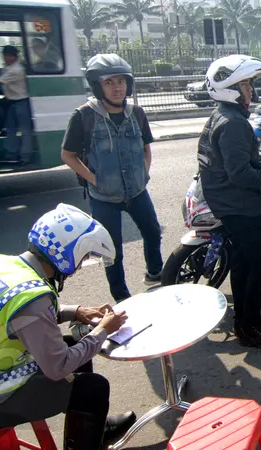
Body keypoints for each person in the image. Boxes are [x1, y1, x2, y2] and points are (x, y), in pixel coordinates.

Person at [0, 203, 136, 449]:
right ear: (68, 255)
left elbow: (18, 318)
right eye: (83, 258)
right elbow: (58, 367)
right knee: (93, 388)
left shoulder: (0, 264)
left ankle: (92, 425)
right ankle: (87, 433)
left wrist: (76, 311)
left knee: (71, 346)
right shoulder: (32, 298)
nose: (79, 267)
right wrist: (103, 330)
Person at [197, 54, 261, 350]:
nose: (251, 89)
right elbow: (239, 173)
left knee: (243, 263)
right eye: (245, 84)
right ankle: (250, 328)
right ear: (231, 88)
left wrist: (259, 161)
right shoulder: (234, 122)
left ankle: (246, 319)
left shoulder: (223, 114)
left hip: (227, 201)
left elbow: (234, 158)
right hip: (239, 205)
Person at [61, 54, 163, 302]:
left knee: (152, 232)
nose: (117, 88)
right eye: (109, 82)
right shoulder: (84, 116)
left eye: (121, 81)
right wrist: (94, 180)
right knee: (111, 248)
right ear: (98, 86)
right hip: (104, 196)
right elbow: (68, 155)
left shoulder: (136, 113)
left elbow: (146, 147)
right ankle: (121, 297)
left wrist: (144, 173)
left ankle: (155, 275)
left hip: (137, 191)